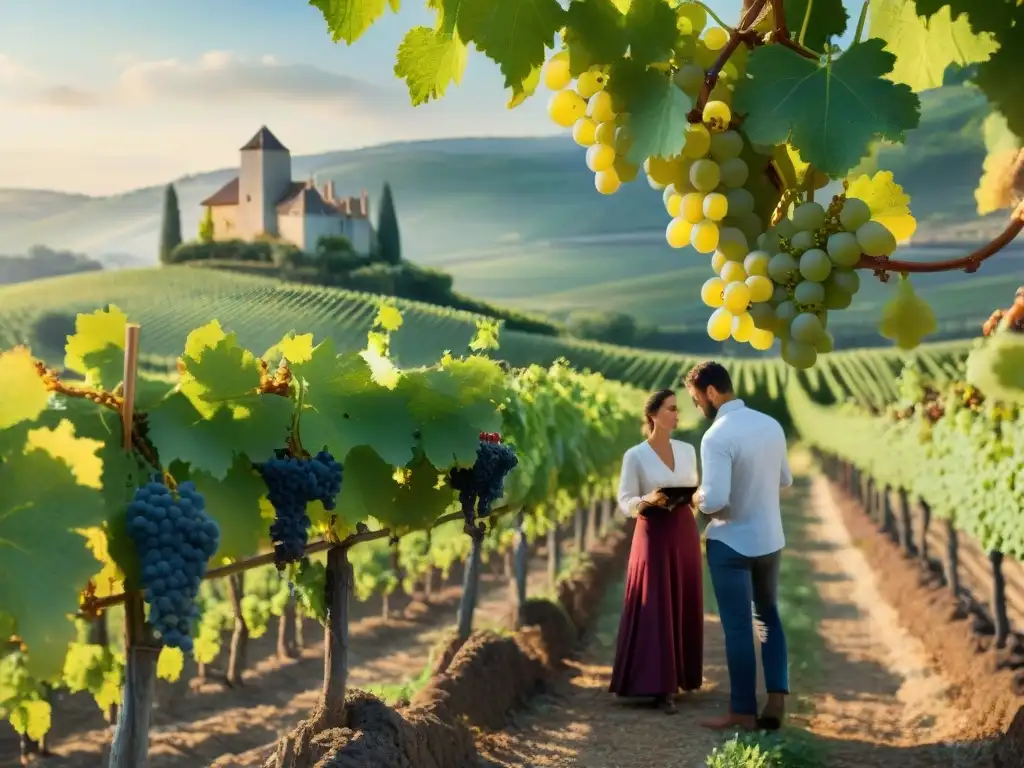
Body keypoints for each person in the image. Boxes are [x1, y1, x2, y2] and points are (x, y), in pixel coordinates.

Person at [683, 360, 792, 732]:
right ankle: (776, 701)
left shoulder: (716, 436)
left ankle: (743, 711)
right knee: (769, 617)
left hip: (731, 544)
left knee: (738, 629)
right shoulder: (770, 425)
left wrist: (696, 497)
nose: (698, 407)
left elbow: (714, 500)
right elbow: (785, 479)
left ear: (712, 392)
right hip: (770, 539)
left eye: (697, 400)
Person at [609, 388, 704, 714]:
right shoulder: (635, 455)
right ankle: (657, 685)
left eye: (678, 409)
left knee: (681, 600)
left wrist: (698, 497)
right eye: (671, 409)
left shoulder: (689, 450)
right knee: (655, 603)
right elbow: (625, 501)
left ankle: (680, 678)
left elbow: (694, 492)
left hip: (683, 530)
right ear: (653, 414)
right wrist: (646, 501)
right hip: (652, 531)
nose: (677, 414)